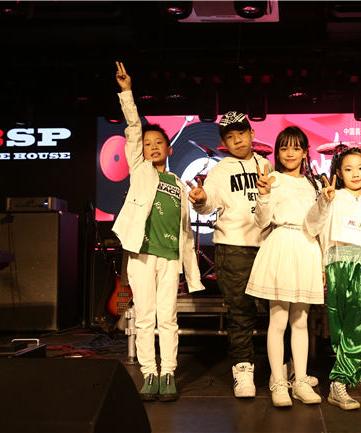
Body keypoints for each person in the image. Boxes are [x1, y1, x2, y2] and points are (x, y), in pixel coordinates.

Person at [111, 61, 205, 401]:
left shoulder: (178, 183)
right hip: (142, 254)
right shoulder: (140, 171)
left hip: (169, 258)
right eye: (147, 143)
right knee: (144, 317)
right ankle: (149, 373)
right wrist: (127, 93)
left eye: (158, 143)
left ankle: (168, 374)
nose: (152, 146)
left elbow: (188, 229)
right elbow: (133, 129)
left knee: (168, 319)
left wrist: (201, 202)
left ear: (169, 148)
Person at [186, 111, 274, 398]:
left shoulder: (266, 165)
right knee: (240, 313)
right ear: (224, 143)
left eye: (241, 134)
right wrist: (200, 200)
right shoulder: (222, 170)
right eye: (230, 137)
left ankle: (281, 368)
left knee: (276, 311)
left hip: (267, 247)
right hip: (234, 248)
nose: (237, 140)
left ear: (252, 134)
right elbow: (207, 201)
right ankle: (243, 369)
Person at [305, 146, 361, 411]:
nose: (356, 173)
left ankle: (339, 382)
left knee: (360, 326)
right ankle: (359, 374)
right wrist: (323, 202)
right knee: (340, 326)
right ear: (339, 173)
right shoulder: (333, 197)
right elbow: (314, 229)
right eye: (349, 169)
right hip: (338, 265)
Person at [245, 126, 323, 407]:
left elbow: (316, 226)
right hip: (281, 245)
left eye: (296, 148)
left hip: (307, 248)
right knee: (277, 321)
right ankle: (278, 381)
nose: (290, 153)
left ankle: (300, 380)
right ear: (277, 153)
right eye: (284, 148)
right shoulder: (272, 179)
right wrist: (264, 195)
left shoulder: (313, 184)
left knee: (300, 321)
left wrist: (325, 204)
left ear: (305, 152)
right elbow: (261, 221)